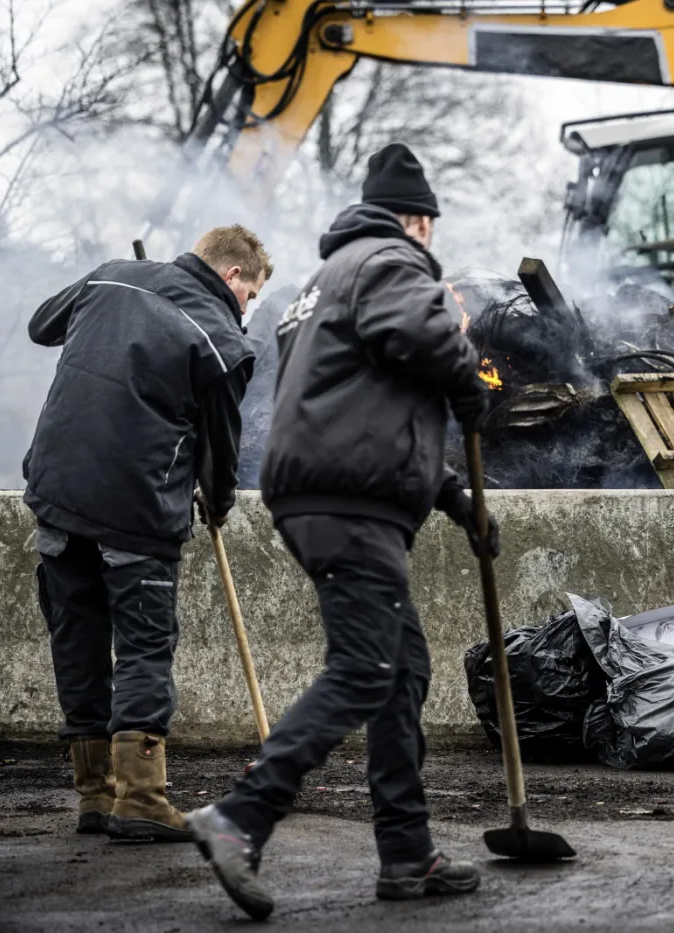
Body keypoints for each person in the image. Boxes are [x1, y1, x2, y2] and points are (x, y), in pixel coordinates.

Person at [187, 143, 495, 919]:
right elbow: (428, 343)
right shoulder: (392, 259)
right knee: (364, 668)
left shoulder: (321, 282)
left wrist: (454, 496)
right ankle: (241, 816)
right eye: (428, 225)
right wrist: (469, 384)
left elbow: (359, 407)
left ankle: (406, 854)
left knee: (400, 669)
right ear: (418, 219)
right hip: (348, 501)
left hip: (327, 491)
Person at [24, 225, 270, 840]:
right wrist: (216, 504)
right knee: (142, 647)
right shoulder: (222, 343)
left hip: (57, 490)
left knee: (75, 637)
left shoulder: (110, 275)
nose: (248, 310)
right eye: (252, 296)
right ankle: (140, 800)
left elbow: (41, 326)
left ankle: (93, 797)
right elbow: (221, 452)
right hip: (137, 506)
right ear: (233, 276)